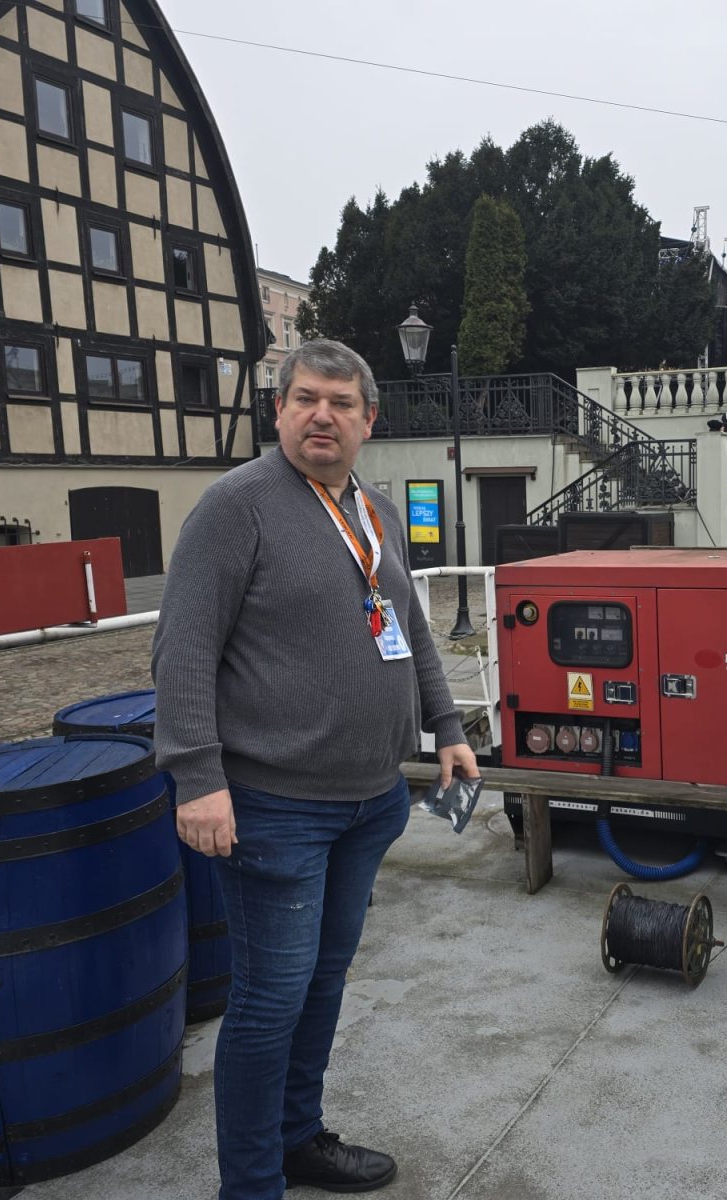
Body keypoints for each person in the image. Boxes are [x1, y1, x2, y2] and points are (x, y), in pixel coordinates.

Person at [152, 339, 478, 1198]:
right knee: (268, 1004)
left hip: (370, 801)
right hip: (275, 808)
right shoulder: (236, 507)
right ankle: (251, 1184)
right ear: (279, 411)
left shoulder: (373, 509)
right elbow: (182, 651)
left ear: (370, 420)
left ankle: (298, 1138)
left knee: (322, 984)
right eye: (305, 399)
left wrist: (446, 725)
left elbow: (406, 624)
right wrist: (197, 777)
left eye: (340, 403)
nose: (321, 416)